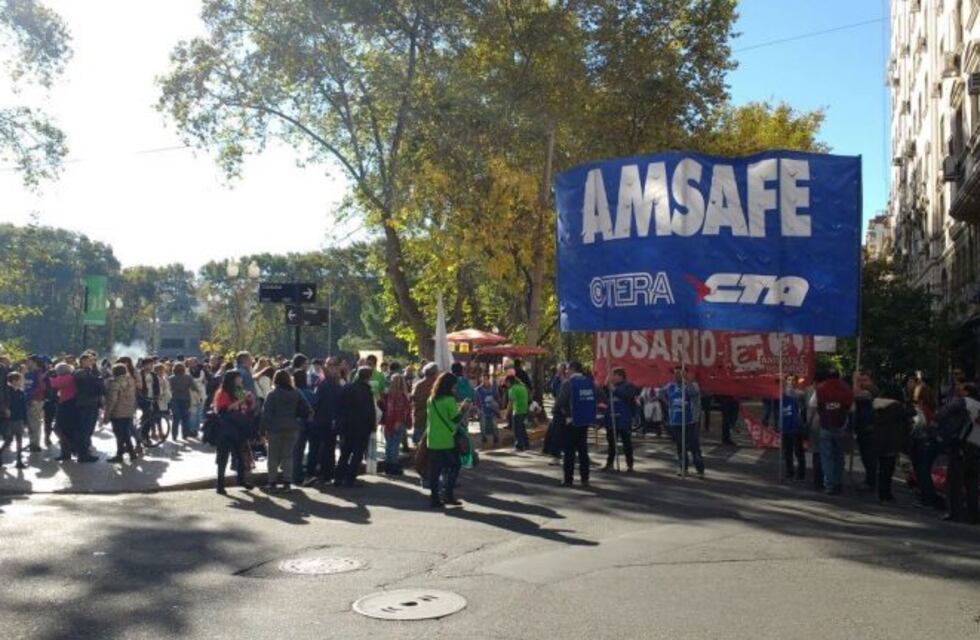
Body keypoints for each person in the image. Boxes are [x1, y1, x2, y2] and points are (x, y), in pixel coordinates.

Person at [260, 370, 310, 492]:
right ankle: (287, 482)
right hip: (292, 427)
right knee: (288, 455)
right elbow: (307, 408)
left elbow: (266, 414)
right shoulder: (296, 393)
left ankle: (272, 483)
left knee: (273, 456)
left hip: (275, 429)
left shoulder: (272, 394)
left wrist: (262, 431)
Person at [936, 382, 979, 523]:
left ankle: (954, 513)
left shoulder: (962, 403)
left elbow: (942, 414)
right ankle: (973, 515)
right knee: (972, 483)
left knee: (954, 482)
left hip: (961, 445)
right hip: (976, 447)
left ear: (966, 391)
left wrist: (944, 433)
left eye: (961, 389)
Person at [426, 372, 469, 508]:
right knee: (455, 465)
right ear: (449, 386)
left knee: (435, 471)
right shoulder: (449, 400)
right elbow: (456, 419)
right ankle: (448, 494)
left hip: (432, 439)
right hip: (447, 439)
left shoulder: (431, 399)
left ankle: (434, 498)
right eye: (454, 386)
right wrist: (463, 409)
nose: (455, 388)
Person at [810, 369, 853, 495]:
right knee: (839, 457)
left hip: (825, 426)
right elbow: (852, 408)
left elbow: (812, 404)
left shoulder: (821, 388)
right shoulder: (846, 388)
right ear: (838, 376)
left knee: (827, 457)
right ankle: (838, 482)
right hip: (840, 427)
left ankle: (829, 484)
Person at [212, 371, 254, 495]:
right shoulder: (222, 393)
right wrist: (241, 401)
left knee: (240, 455)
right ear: (232, 380)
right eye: (238, 378)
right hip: (225, 428)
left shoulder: (239, 391)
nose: (241, 380)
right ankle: (220, 485)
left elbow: (245, 407)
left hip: (238, 427)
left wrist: (249, 401)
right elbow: (222, 410)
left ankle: (241, 480)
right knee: (223, 457)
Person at [334, 367, 376, 487]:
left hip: (347, 425)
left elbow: (339, 406)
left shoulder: (347, 387)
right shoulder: (367, 391)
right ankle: (350, 478)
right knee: (357, 454)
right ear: (368, 377)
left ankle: (338, 477)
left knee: (345, 452)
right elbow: (370, 410)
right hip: (361, 426)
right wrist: (372, 426)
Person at [870, 385, 912, 504]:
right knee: (888, 469)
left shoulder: (876, 405)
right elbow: (911, 413)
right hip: (892, 441)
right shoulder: (897, 407)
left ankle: (882, 493)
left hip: (878, 439)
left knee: (882, 468)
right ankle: (886, 494)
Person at [661, 367, 704, 477]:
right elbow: (661, 394)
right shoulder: (670, 386)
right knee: (680, 447)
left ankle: (700, 469)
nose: (677, 375)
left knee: (694, 446)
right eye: (675, 373)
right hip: (676, 421)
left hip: (690, 421)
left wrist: (687, 381)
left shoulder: (693, 385)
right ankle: (683, 468)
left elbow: (694, 393)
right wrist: (669, 404)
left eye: (680, 373)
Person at [556, 361, 594, 487]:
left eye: (567, 369)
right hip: (585, 421)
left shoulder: (569, 383)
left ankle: (568, 479)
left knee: (569, 452)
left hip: (571, 421)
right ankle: (585, 478)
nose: (566, 371)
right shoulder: (589, 382)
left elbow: (560, 402)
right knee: (583, 451)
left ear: (573, 369)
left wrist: (557, 410)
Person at [307, 357, 343, 485]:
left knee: (316, 448)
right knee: (329, 449)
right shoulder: (338, 386)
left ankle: (312, 474)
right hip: (332, 422)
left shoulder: (322, 385)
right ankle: (327, 475)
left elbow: (315, 403)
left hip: (320, 421)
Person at [603, 367, 638, 472]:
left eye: (614, 375)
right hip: (612, 419)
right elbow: (604, 389)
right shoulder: (611, 386)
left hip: (623, 419)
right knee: (611, 443)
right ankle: (610, 463)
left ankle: (629, 464)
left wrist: (615, 390)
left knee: (626, 442)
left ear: (620, 376)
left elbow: (627, 396)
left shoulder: (628, 386)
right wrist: (608, 375)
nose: (613, 378)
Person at [103, 363, 137, 463]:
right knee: (125, 433)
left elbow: (112, 400)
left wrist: (107, 415)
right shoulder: (131, 381)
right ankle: (131, 452)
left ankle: (120, 455)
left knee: (119, 434)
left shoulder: (115, 383)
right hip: (129, 410)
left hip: (117, 412)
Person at [73, 353, 103, 462]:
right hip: (85, 405)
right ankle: (83, 454)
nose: (92, 362)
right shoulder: (81, 373)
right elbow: (90, 388)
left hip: (90, 404)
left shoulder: (88, 372)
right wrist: (98, 381)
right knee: (85, 430)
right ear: (83, 361)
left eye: (92, 360)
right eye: (90, 360)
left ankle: (84, 452)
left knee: (88, 430)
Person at [852, 371, 878, 489]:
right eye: (860, 380)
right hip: (862, 427)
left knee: (869, 457)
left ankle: (871, 482)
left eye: (864, 380)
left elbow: (856, 395)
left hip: (870, 428)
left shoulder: (871, 391)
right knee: (865, 456)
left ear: (871, 380)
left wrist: (855, 381)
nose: (861, 383)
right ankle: (869, 480)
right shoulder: (865, 390)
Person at [49, 362, 79, 462]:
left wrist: (51, 377)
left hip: (66, 405)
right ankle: (69, 449)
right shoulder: (70, 377)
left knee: (60, 429)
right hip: (70, 405)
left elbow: (54, 384)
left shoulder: (66, 378)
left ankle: (68, 450)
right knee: (65, 430)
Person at [382, 373, 411, 474]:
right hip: (398, 422)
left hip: (388, 421)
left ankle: (388, 464)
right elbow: (401, 409)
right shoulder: (401, 395)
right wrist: (398, 421)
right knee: (395, 444)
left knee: (389, 444)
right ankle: (393, 465)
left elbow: (385, 409)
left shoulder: (388, 394)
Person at [778, 376, 805, 482]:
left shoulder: (800, 394)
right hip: (785, 426)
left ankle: (801, 472)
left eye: (793, 380)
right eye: (789, 380)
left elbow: (803, 408)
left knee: (798, 451)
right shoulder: (781, 394)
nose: (791, 382)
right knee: (787, 451)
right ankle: (789, 471)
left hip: (796, 426)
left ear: (796, 382)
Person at [0, 371, 28, 469]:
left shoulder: (21, 392)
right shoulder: (7, 392)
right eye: (20, 380)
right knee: (9, 439)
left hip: (19, 419)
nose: (22, 381)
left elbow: (24, 407)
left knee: (19, 439)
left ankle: (19, 461)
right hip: (9, 419)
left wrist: (25, 420)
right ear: (14, 381)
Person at [411, 363, 438, 445]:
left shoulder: (418, 385)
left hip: (419, 417)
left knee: (418, 445)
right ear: (435, 374)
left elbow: (413, 400)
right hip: (432, 419)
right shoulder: (436, 386)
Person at [24, 356, 47, 453]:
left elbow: (42, 387)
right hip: (29, 400)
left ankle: (35, 444)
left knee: (35, 423)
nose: (27, 363)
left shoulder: (39, 373)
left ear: (34, 362)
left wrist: (33, 397)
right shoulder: (29, 373)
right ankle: (32, 443)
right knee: (31, 423)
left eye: (28, 361)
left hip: (35, 401)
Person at [168, 362, 195, 441]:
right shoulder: (188, 377)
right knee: (185, 418)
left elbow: (169, 388)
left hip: (175, 399)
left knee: (175, 418)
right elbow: (194, 387)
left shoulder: (171, 378)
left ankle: (174, 436)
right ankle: (185, 434)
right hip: (186, 399)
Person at [506, 374, 530, 451]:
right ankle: (526, 444)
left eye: (506, 383)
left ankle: (519, 445)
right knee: (522, 428)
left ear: (509, 382)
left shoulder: (512, 389)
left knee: (516, 430)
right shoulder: (523, 387)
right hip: (524, 410)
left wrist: (507, 413)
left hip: (517, 411)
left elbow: (510, 402)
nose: (506, 385)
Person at [475, 373, 500, 446]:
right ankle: (484, 438)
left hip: (492, 410)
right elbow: (476, 400)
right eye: (482, 379)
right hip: (482, 410)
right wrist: (478, 409)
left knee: (494, 425)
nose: (484, 381)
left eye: (485, 379)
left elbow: (497, 397)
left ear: (488, 379)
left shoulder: (493, 389)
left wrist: (496, 406)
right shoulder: (478, 390)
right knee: (483, 425)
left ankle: (495, 437)